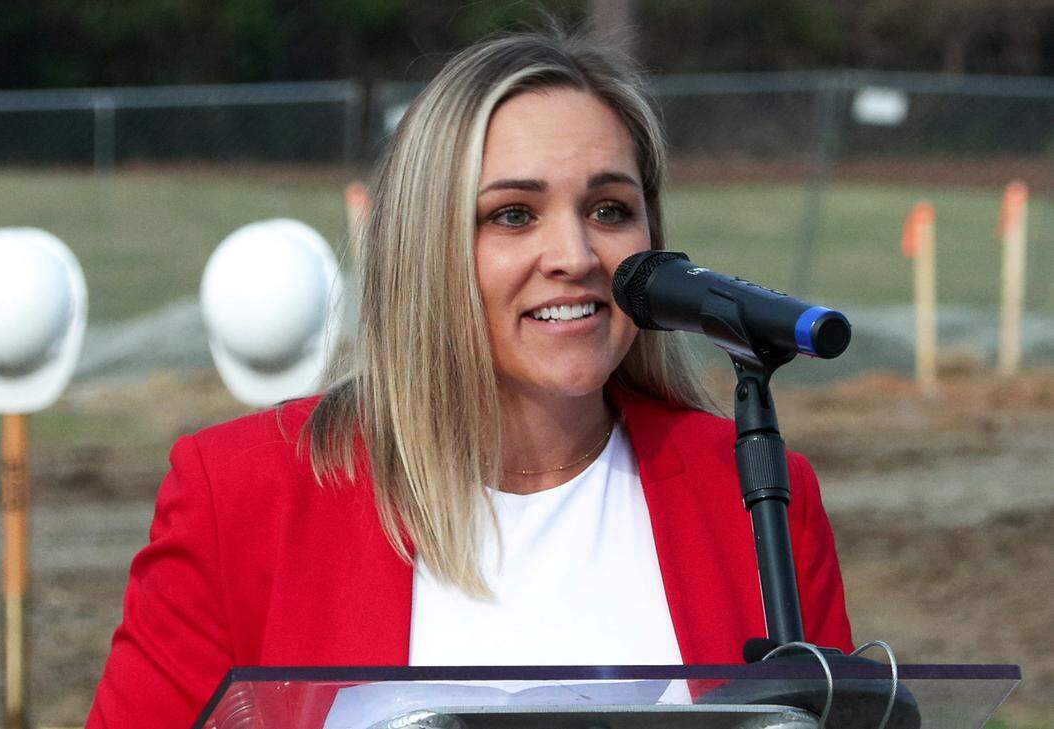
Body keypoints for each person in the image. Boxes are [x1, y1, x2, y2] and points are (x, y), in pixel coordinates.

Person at [87, 29, 852, 727]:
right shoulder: (240, 494)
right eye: (514, 215)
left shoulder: (755, 495)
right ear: (429, 245)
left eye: (609, 207)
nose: (576, 254)